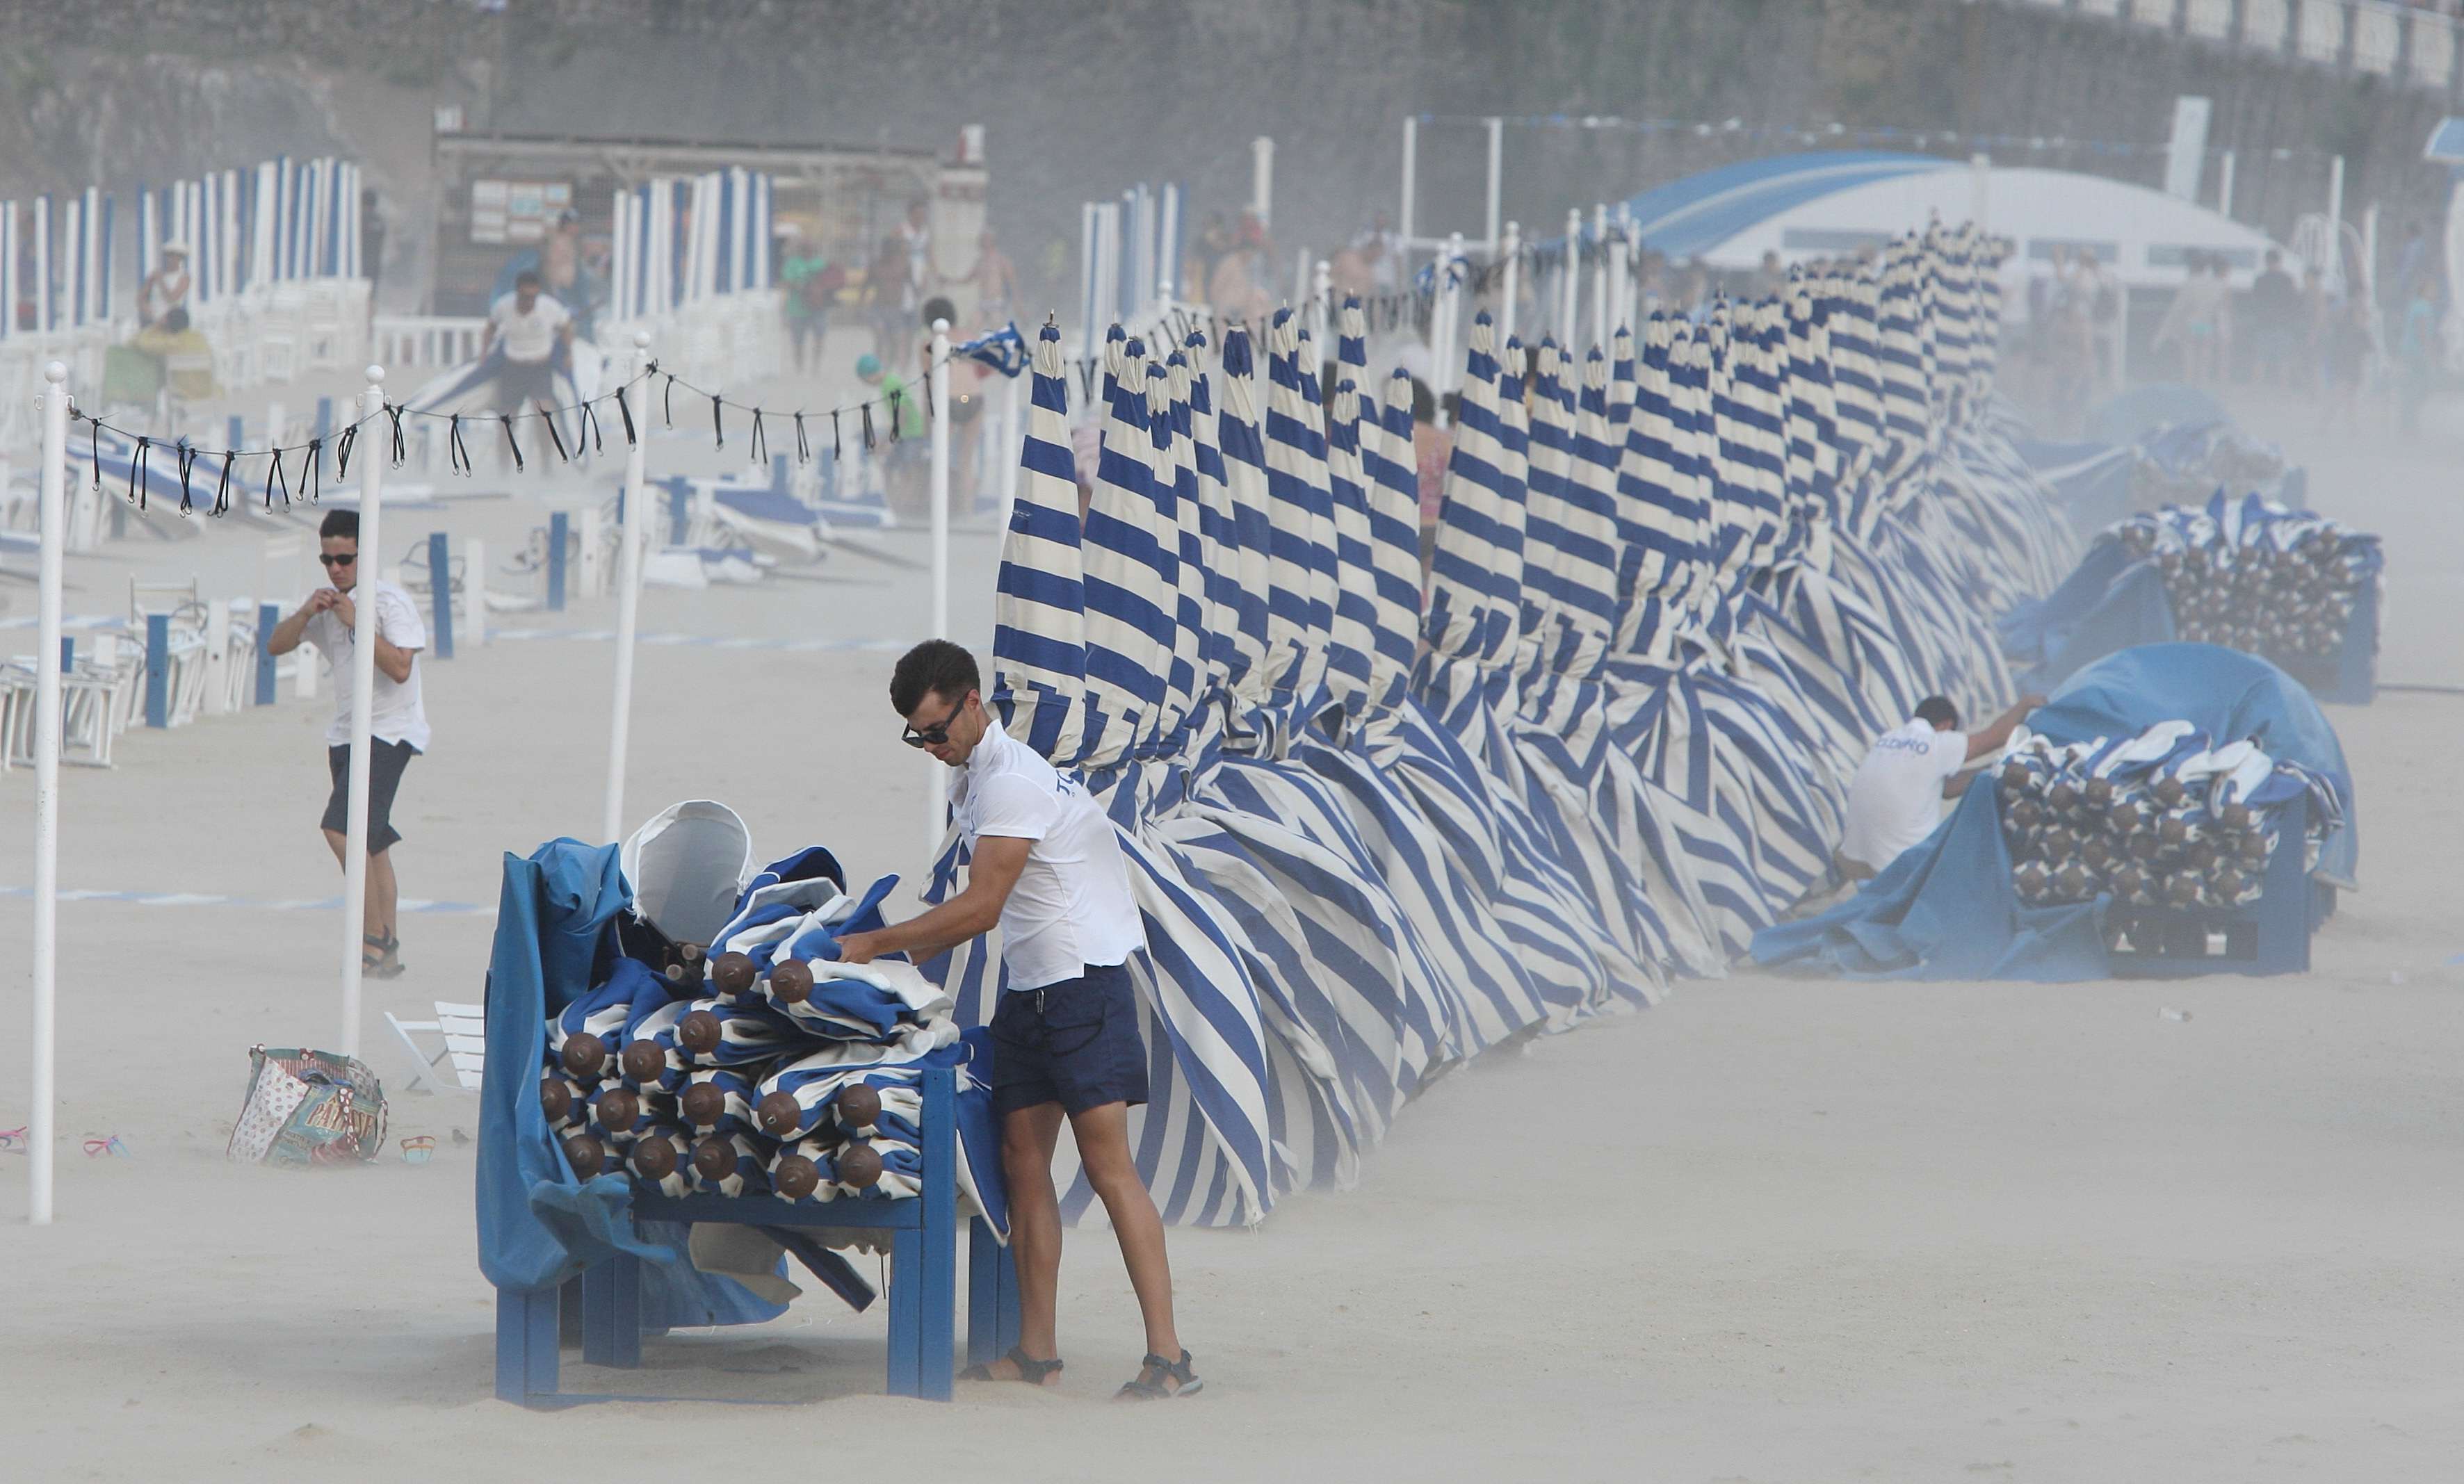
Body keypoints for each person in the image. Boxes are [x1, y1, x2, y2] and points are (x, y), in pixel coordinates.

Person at [834, 640, 1199, 1401]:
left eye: (936, 729)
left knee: (1107, 1169)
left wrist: (872, 941)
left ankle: (1168, 1356)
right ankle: (1038, 1351)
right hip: (1030, 991)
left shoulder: (1013, 781)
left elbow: (980, 908)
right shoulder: (973, 777)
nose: (930, 746)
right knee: (1022, 1167)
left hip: (1085, 987)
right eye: (916, 736)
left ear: (972, 702)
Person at [264, 509, 429, 979]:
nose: (336, 568)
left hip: (390, 731)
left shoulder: (390, 601)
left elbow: (400, 668)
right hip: (346, 733)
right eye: (328, 558)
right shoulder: (329, 602)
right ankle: (389, 950)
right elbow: (275, 646)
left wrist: (358, 622)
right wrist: (305, 613)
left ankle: (372, 937)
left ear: (365, 554)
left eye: (345, 558)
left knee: (341, 829)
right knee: (373, 843)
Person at [1835, 693, 2042, 881]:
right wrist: (2025, 704)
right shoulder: (1936, 742)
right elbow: (1998, 737)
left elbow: (1946, 789)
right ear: (1946, 725)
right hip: (1899, 866)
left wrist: (1995, 767)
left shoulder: (1887, 739)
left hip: (1855, 861)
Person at [482, 270, 573, 417]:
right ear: (517, 292)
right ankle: (506, 441)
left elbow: (566, 327)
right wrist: (484, 354)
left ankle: (546, 441)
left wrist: (568, 353)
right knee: (507, 417)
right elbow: (490, 328)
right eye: (526, 297)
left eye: (533, 297)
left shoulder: (549, 307)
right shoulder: (504, 306)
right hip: (513, 367)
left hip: (540, 367)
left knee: (544, 414)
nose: (529, 302)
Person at [778, 229, 840, 375]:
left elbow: (830, 281)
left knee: (819, 338)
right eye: (805, 246)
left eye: (810, 246)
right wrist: (801, 287)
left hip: (818, 308)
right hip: (797, 308)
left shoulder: (821, 262)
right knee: (798, 342)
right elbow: (786, 281)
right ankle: (799, 369)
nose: (808, 249)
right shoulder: (792, 263)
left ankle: (815, 368)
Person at [2247, 249, 2301, 388]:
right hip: (2283, 325)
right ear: (2280, 261)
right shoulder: (2288, 280)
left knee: (2260, 359)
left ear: (2266, 261)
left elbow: (2254, 302)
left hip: (2264, 324)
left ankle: (2256, 388)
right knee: (2284, 360)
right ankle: (2284, 389)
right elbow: (2294, 303)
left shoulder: (2260, 280)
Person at [138, 242, 193, 330]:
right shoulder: (154, 275)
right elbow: (141, 298)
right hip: (151, 319)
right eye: (170, 255)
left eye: (178, 256)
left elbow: (172, 298)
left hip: (172, 321)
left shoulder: (184, 278)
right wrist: (149, 313)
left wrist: (160, 281)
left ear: (182, 258)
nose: (174, 259)